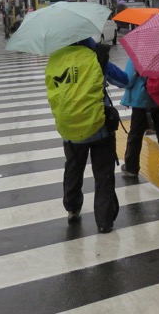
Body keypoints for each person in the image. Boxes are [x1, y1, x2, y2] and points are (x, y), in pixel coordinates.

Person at [44, 38, 128, 233]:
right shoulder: (96, 57)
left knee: (73, 167)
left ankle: (72, 208)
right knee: (103, 173)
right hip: (99, 127)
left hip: (69, 128)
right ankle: (104, 221)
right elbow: (123, 80)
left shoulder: (55, 60)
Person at [119, 60, 159, 181]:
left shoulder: (138, 55)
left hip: (141, 102)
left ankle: (131, 168)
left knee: (135, 135)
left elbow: (128, 81)